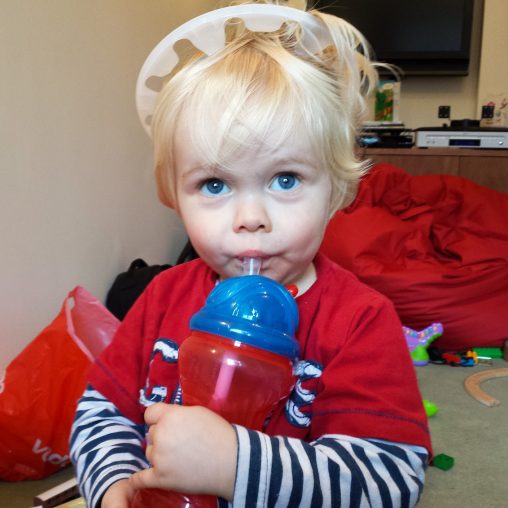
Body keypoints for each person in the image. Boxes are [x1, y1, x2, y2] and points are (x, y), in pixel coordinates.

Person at [70, 1, 431, 507]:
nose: (250, 217)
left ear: (337, 188)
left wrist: (235, 465)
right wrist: (113, 488)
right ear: (172, 194)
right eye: (214, 184)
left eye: (285, 179)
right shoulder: (162, 297)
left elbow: (389, 479)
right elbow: (102, 413)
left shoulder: (360, 321)